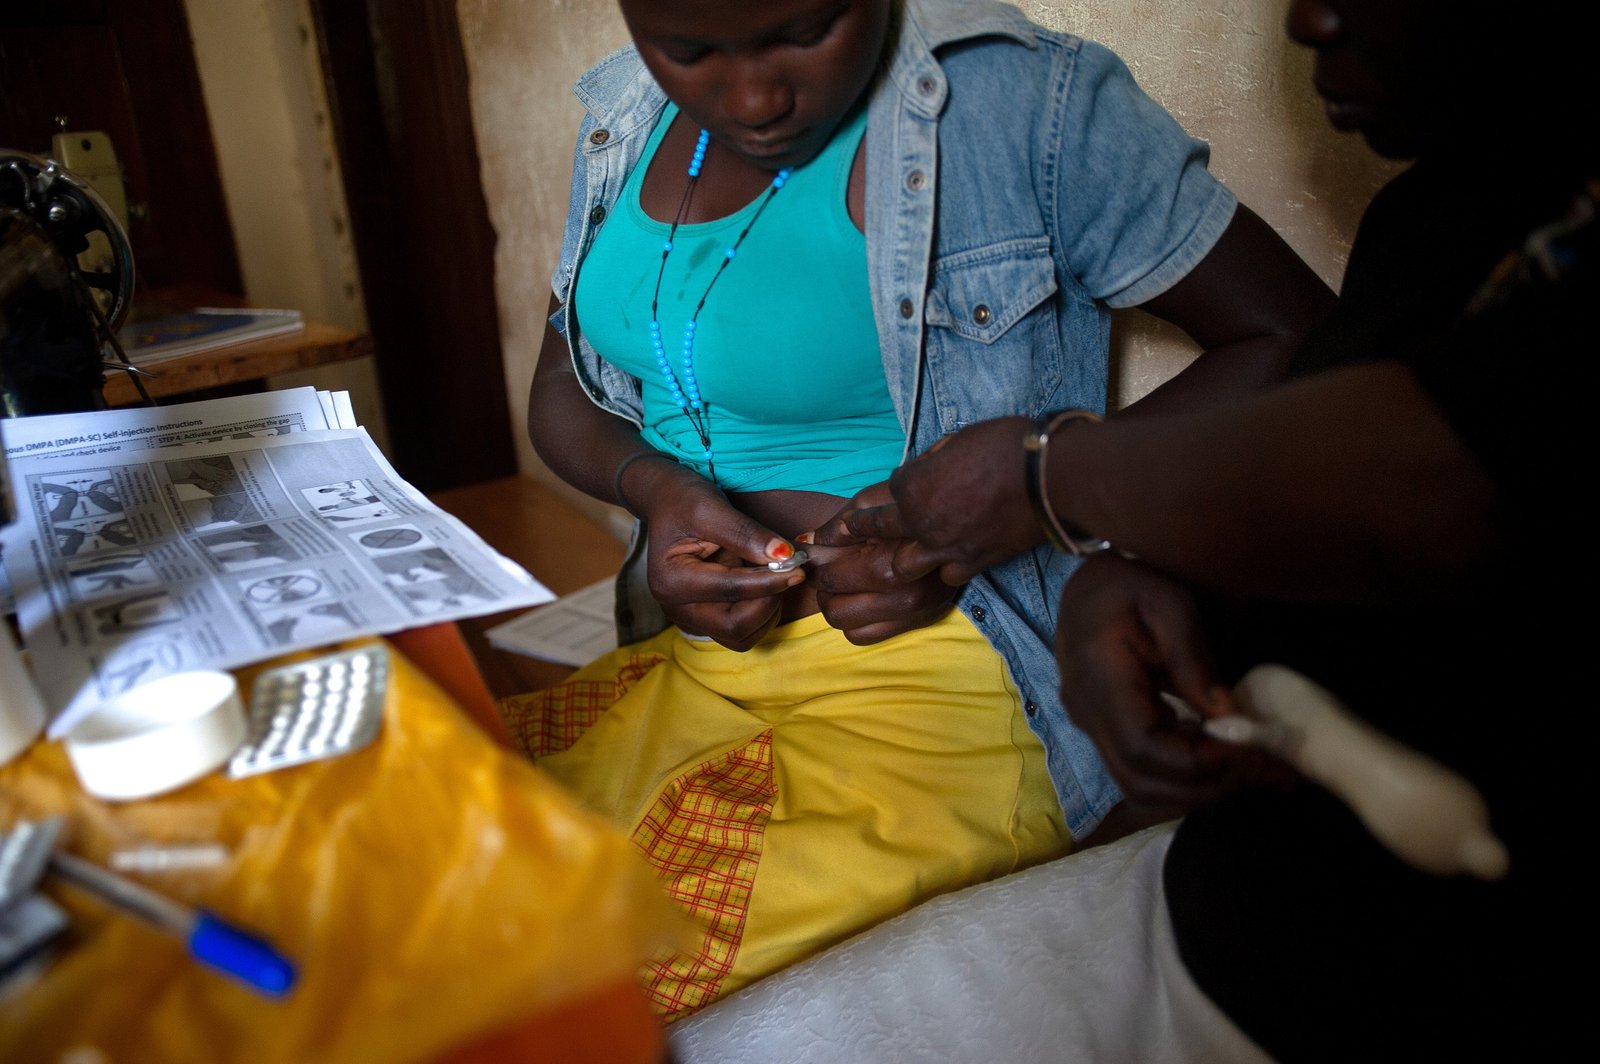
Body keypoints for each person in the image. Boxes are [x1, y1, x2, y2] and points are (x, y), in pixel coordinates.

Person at [513, 0, 1332, 1019]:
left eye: (802, 31)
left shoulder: (1018, 104)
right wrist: (659, 487)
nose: (756, 95)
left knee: (560, 993)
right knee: (414, 871)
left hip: (943, 694)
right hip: (698, 666)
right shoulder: (624, 116)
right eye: (690, 51)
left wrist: (1038, 488)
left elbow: (1298, 341)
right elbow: (566, 384)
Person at [823, 0, 1588, 1056]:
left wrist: (1053, 477)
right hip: (1242, 912)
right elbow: (1303, 509)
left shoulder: (1025, 101)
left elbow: (1439, 481)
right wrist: (1124, 578)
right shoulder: (1436, 219)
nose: (1312, 18)